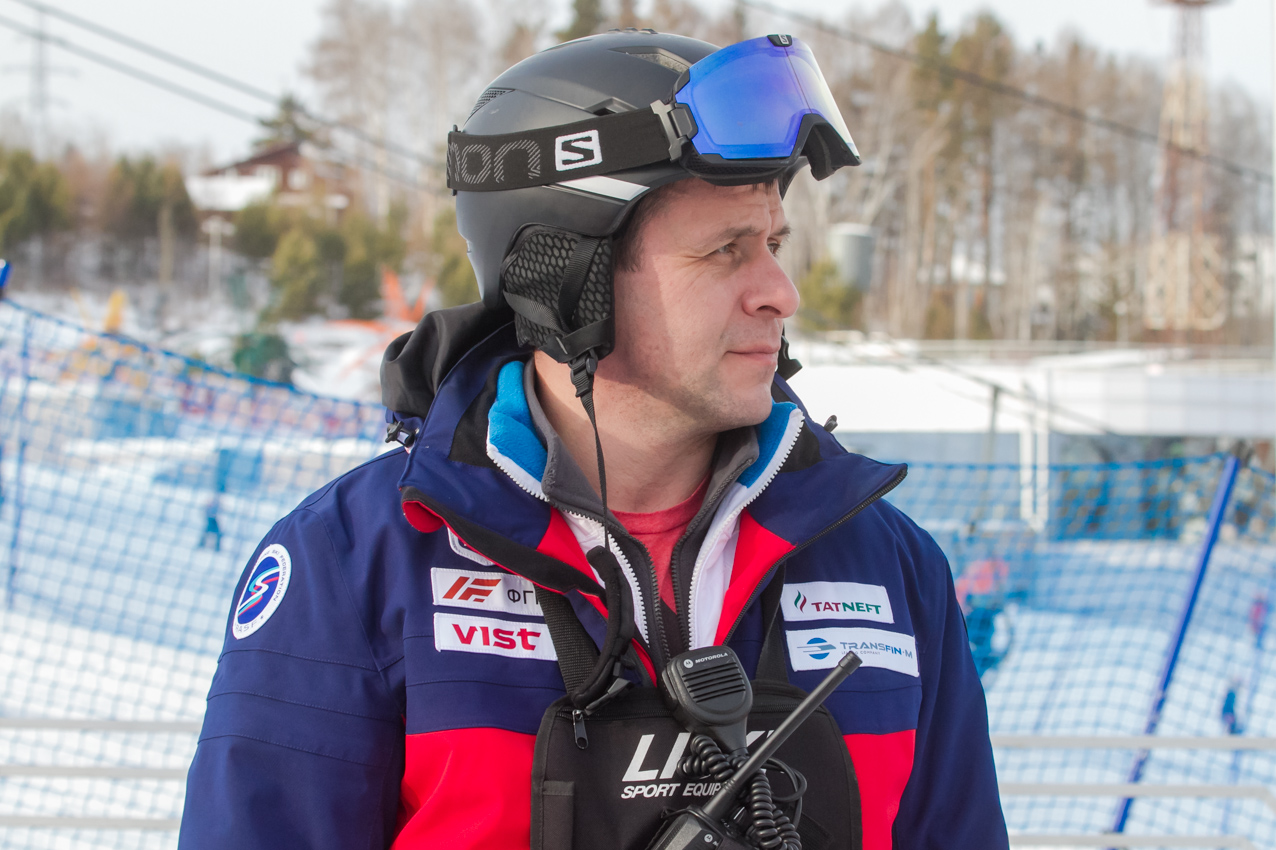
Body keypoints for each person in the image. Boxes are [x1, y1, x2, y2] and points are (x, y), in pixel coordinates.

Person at [179, 29, 1007, 850]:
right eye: (725, 251)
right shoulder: (355, 566)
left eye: (774, 244)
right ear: (569, 284)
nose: (780, 292)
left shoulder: (891, 569)